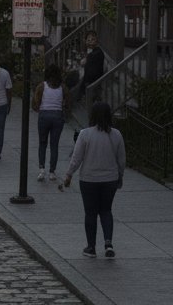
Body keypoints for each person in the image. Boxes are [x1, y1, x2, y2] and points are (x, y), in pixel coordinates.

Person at [64, 101, 126, 259]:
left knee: (90, 213)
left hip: (89, 179)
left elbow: (77, 158)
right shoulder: (116, 134)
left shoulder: (85, 134)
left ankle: (91, 247)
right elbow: (122, 159)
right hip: (110, 178)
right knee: (106, 210)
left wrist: (69, 174)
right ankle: (108, 243)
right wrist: (120, 175)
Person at [33, 62, 72, 181]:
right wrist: (65, 113)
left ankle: (41, 170)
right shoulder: (63, 87)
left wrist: (39, 109)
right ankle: (52, 172)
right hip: (57, 116)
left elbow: (35, 103)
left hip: (44, 115)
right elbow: (69, 103)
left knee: (42, 143)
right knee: (54, 145)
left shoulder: (42, 86)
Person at [76, 31, 106, 103]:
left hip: (95, 80)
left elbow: (84, 61)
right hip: (88, 79)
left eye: (93, 39)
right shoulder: (89, 51)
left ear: (96, 40)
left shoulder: (98, 52)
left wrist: (85, 59)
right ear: (85, 41)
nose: (90, 42)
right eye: (88, 40)